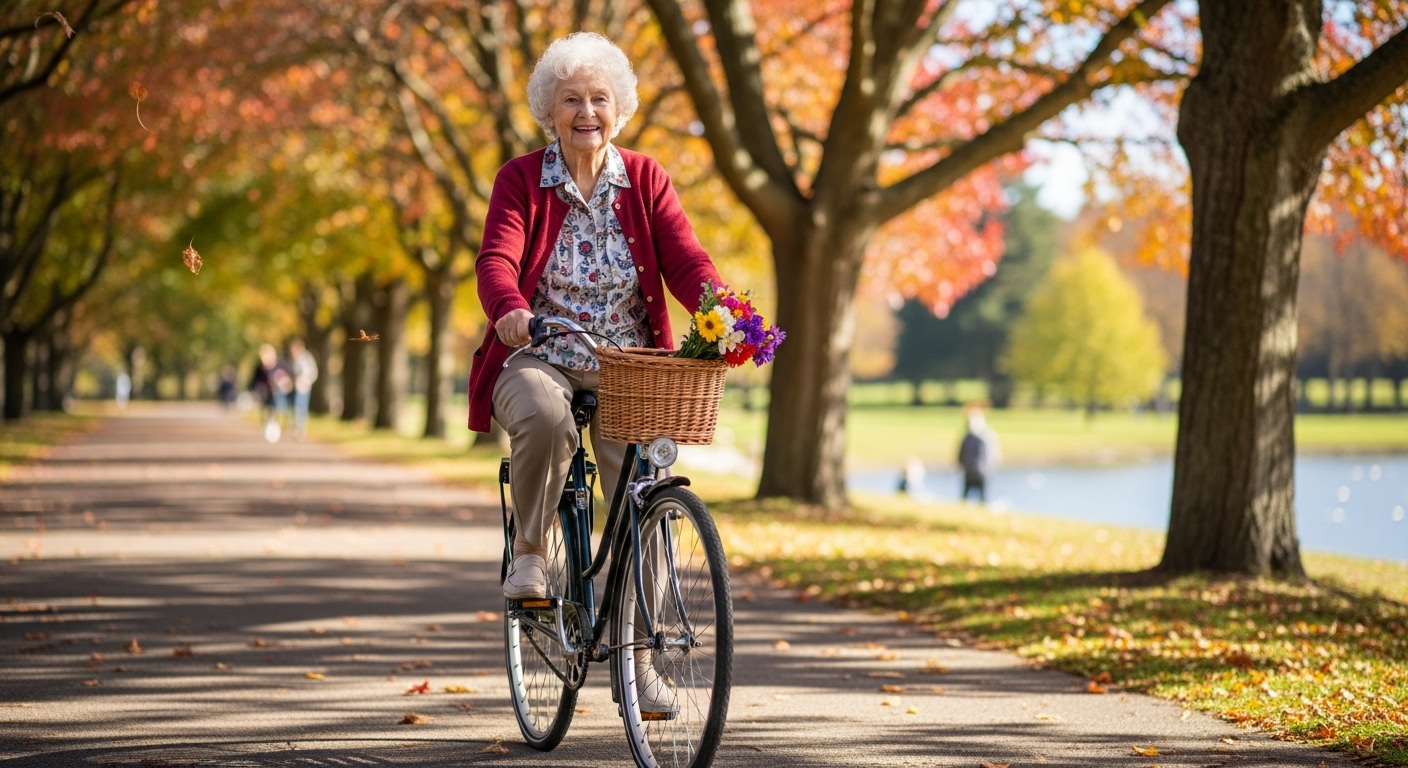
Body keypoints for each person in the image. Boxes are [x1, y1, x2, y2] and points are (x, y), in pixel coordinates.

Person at [467, 33, 721, 712]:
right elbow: (497, 257)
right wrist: (512, 309)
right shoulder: (521, 179)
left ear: (620, 108)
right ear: (549, 112)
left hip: (626, 363)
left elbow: (686, 261)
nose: (586, 111)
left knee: (647, 496)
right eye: (571, 99)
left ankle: (641, 664)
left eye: (599, 98)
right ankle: (529, 552)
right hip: (539, 352)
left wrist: (721, 310)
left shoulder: (644, 179)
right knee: (547, 420)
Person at [249, 343, 291, 443]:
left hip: (279, 393)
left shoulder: (281, 365)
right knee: (266, 410)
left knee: (278, 406)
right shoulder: (259, 368)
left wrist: (285, 384)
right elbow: (254, 382)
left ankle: (278, 426)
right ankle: (268, 425)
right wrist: (256, 390)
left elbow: (289, 378)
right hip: (265, 393)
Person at [957, 406, 1000, 503]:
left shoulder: (986, 436)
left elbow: (992, 455)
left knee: (982, 499)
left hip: (982, 472)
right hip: (971, 472)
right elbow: (961, 454)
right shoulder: (968, 436)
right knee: (966, 499)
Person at [288, 339, 318, 440]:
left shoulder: (306, 358)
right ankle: (296, 428)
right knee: (296, 407)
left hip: (303, 388)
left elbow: (311, 372)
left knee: (301, 408)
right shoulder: (296, 359)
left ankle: (300, 429)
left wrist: (304, 381)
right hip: (295, 388)